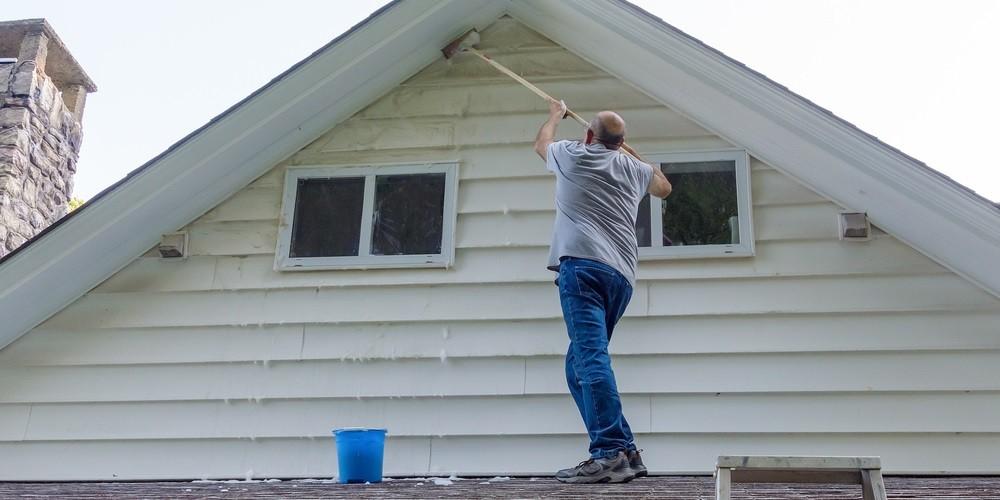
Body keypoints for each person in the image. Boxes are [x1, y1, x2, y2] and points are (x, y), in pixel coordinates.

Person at [534, 99, 671, 483]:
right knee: (579, 365)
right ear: (621, 142)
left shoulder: (573, 155)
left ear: (589, 135)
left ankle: (609, 453)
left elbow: (541, 145)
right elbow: (664, 187)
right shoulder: (634, 168)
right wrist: (635, 157)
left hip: (582, 268)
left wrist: (553, 116)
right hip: (621, 277)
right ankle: (626, 450)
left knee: (590, 360)